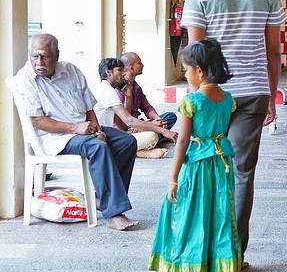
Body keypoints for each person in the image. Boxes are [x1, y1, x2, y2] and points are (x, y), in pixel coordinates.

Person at [181, 0, 287, 268]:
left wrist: (193, 99)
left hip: (212, 93)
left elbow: (196, 51)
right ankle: (234, 255)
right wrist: (271, 95)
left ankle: (202, 248)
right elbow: (273, 51)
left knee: (207, 168)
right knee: (242, 172)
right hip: (254, 91)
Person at [11, 34, 138, 231]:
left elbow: (89, 108)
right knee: (98, 147)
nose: (38, 62)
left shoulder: (71, 70)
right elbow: (37, 121)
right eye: (34, 56)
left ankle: (102, 198)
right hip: (55, 137)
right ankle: (113, 213)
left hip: (83, 129)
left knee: (127, 142)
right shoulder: (25, 79)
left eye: (44, 57)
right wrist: (76, 129)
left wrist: (96, 128)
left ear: (56, 55)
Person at [148, 39, 241, 272]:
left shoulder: (193, 102)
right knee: (220, 215)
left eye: (187, 70)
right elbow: (221, 130)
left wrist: (174, 177)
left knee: (187, 214)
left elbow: (183, 142)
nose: (186, 75)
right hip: (222, 165)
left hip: (197, 167)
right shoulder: (227, 99)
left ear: (199, 71)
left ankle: (183, 269)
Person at [93, 58, 178, 159]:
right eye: (119, 70)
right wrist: (163, 131)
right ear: (109, 72)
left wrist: (128, 97)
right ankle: (138, 152)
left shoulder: (116, 88)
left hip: (121, 132)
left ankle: (136, 149)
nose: (123, 74)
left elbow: (123, 126)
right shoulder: (107, 90)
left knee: (168, 118)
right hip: (107, 137)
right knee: (151, 136)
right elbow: (129, 122)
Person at [117, 52, 177, 132]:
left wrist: (158, 119)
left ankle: (154, 134)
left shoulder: (136, 87)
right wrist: (151, 125)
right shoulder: (119, 88)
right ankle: (156, 135)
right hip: (127, 127)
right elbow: (125, 121)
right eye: (139, 63)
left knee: (170, 117)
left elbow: (146, 107)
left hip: (140, 124)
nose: (143, 65)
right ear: (131, 68)